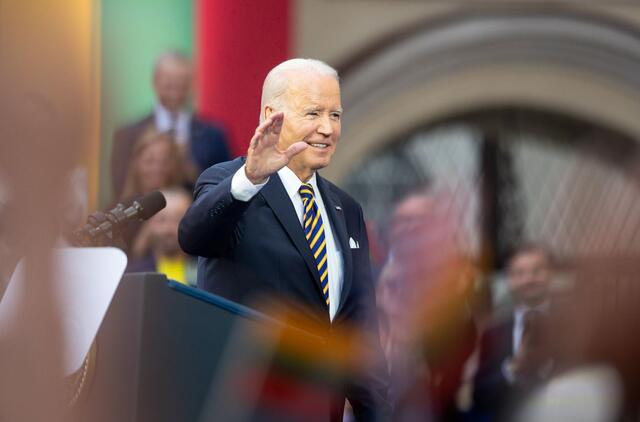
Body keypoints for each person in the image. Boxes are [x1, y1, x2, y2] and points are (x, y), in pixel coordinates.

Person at [178, 58, 391, 421]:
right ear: (271, 116)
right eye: (313, 113)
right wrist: (249, 179)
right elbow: (194, 237)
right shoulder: (231, 183)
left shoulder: (347, 209)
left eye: (335, 115)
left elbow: (360, 335)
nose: (327, 128)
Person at [111, 50, 230, 200]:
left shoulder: (213, 135)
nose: (175, 85)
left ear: (191, 84)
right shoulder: (128, 135)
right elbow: (121, 189)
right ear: (155, 81)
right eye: (169, 78)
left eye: (182, 79)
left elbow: (224, 187)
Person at [472, 243, 555, 421]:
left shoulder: (577, 323)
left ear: (551, 273)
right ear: (509, 280)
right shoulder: (493, 332)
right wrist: (514, 368)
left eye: (537, 271)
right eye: (519, 273)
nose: (529, 279)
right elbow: (479, 395)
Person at [127, 187, 196, 286]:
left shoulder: (205, 273)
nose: (169, 228)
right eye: (161, 220)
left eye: (178, 219)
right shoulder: (133, 275)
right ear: (149, 225)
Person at [120, 127, 183, 201]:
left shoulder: (181, 203)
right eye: (149, 161)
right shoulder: (123, 205)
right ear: (136, 163)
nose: (157, 168)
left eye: (164, 162)